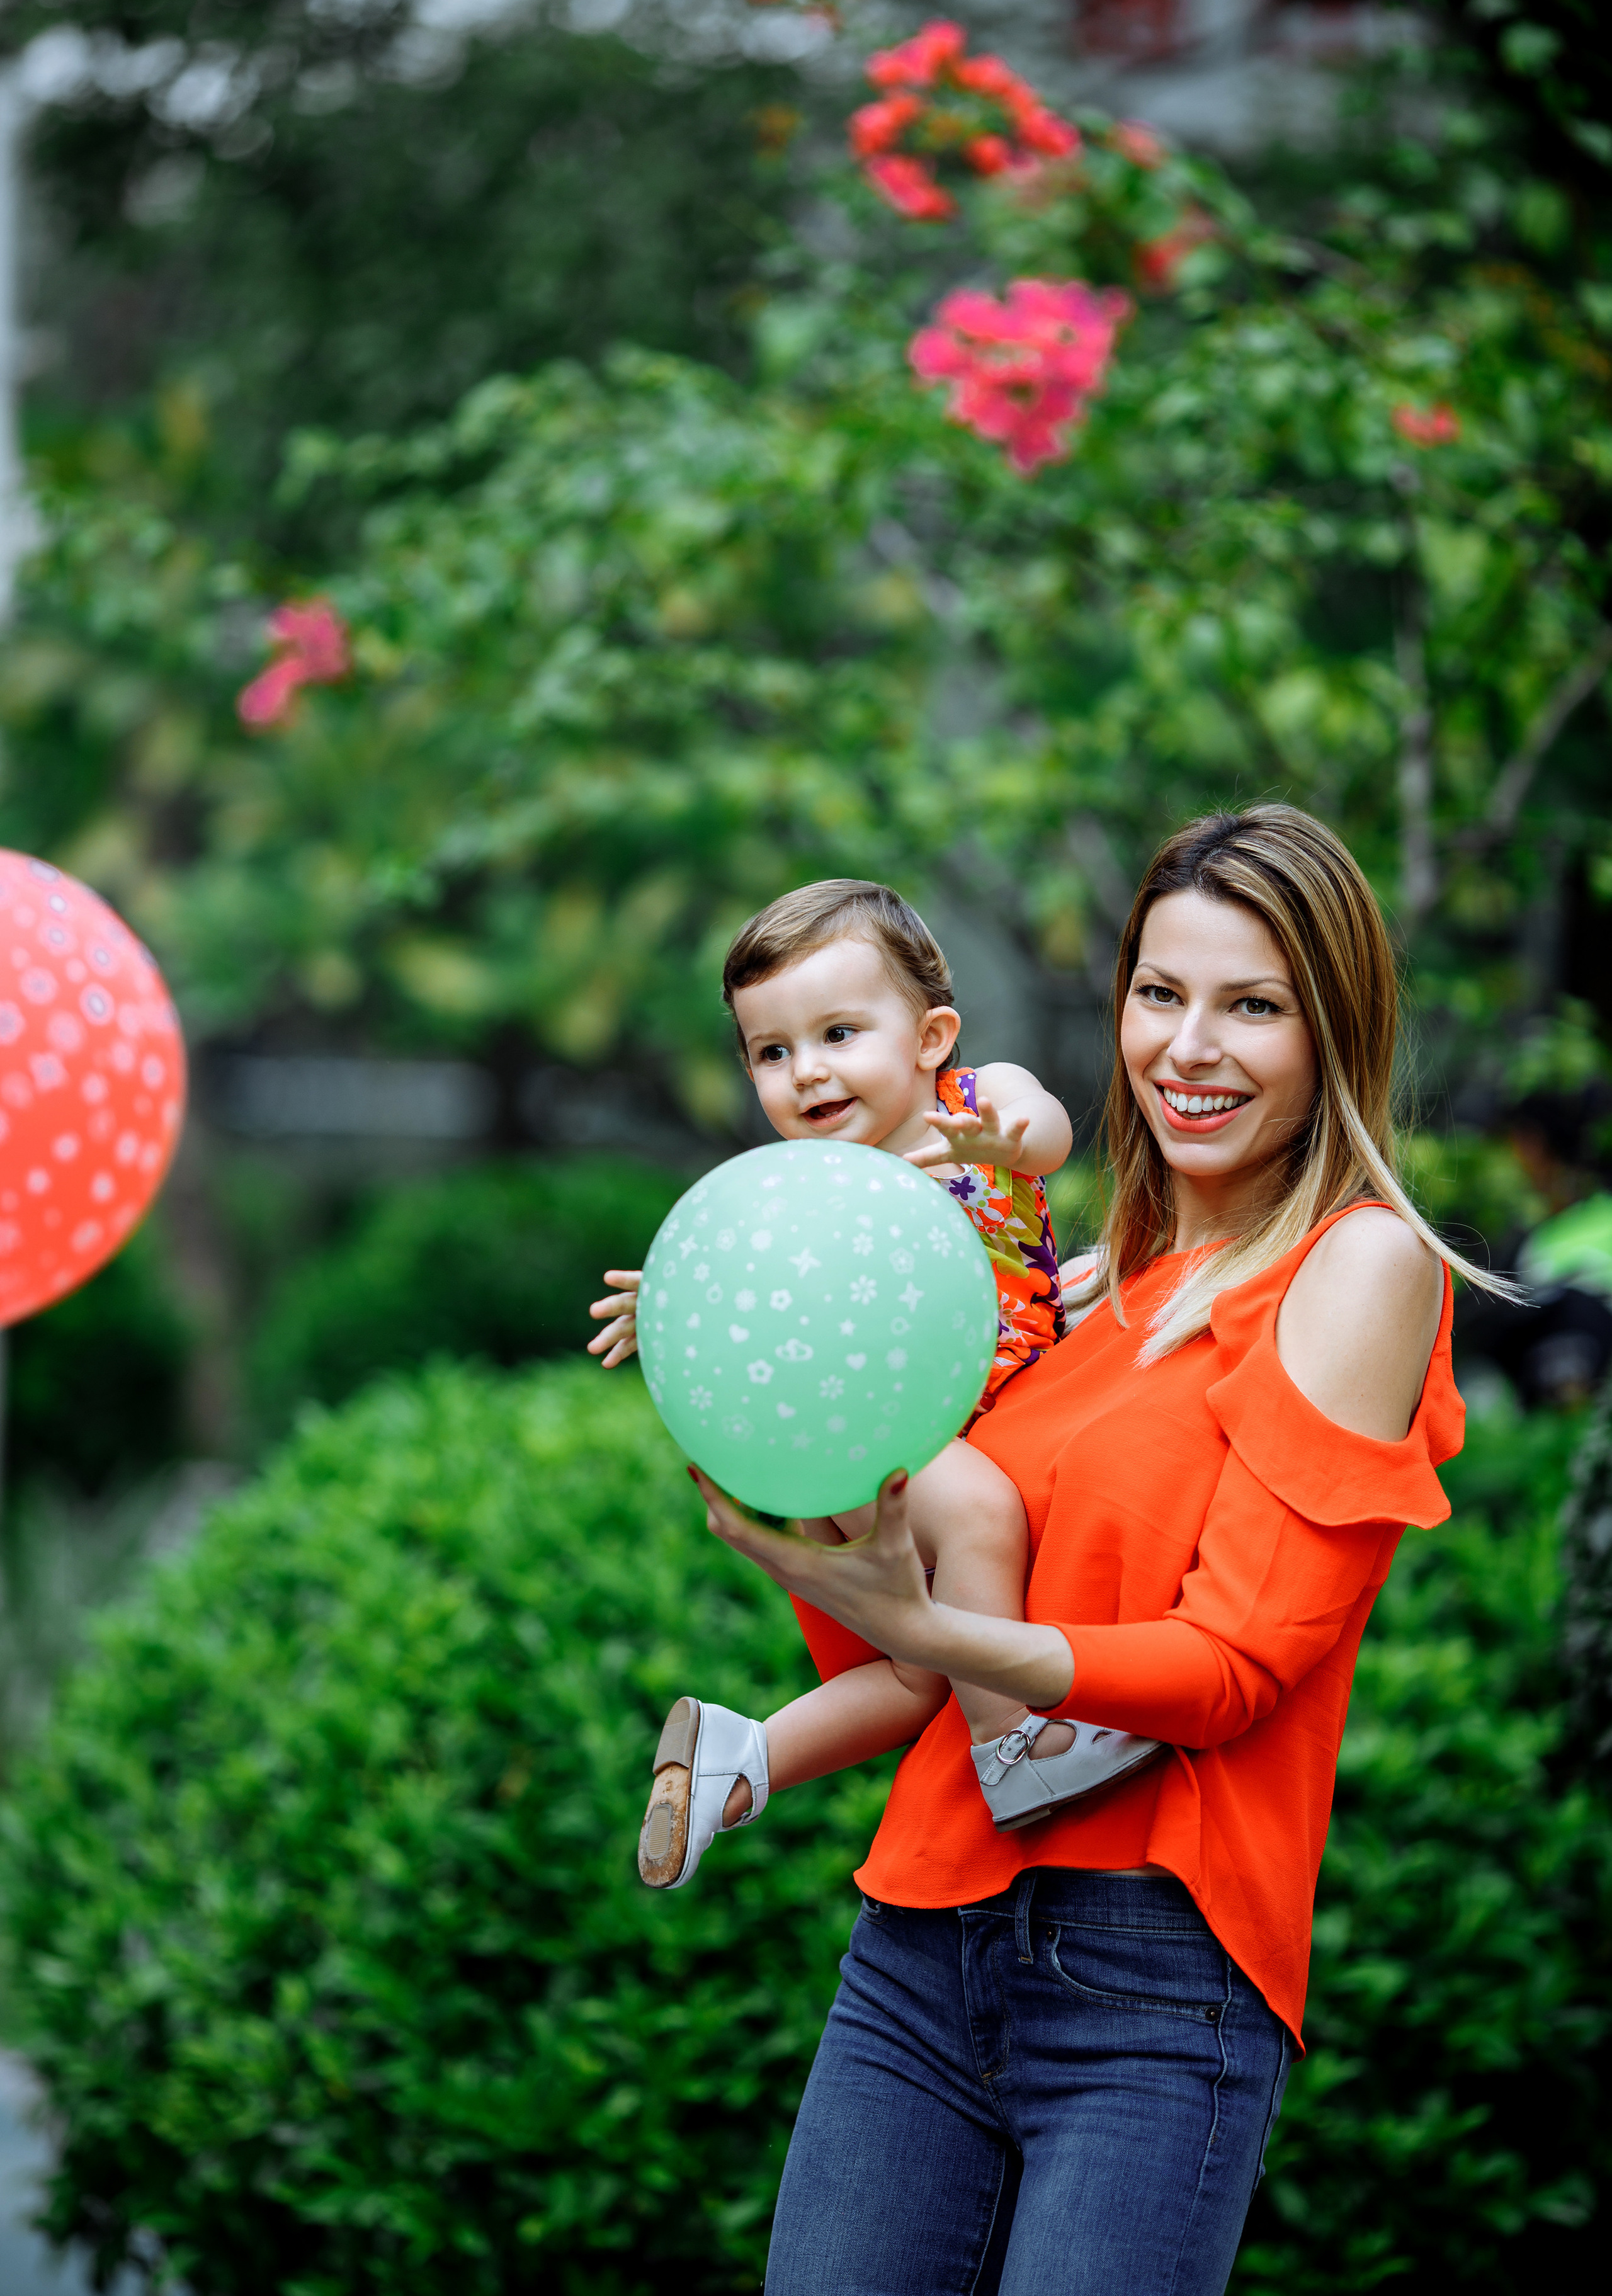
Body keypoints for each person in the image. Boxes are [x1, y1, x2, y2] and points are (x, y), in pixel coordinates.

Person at [682, 805, 1509, 2296]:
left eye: (1251, 1006)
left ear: (1332, 1030)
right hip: (917, 1942)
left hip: (1150, 1976)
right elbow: (899, 1652)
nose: (1189, 1048)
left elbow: (1234, 1668)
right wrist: (808, 1521)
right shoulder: (1067, 1294)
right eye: (1158, 994)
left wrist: (935, 1637)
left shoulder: (1356, 1266)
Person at [587, 878, 1159, 1889]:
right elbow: (749, 1298)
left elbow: (1050, 1131)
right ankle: (1015, 1749)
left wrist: (1001, 1142)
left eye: (839, 1034)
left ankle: (738, 1761)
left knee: (914, 1674)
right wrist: (677, 1304)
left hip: (895, 1434)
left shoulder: (978, 1104)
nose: (806, 1071)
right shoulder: (799, 1191)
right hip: (868, 1440)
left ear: (933, 1037)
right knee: (981, 1515)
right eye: (772, 1052)